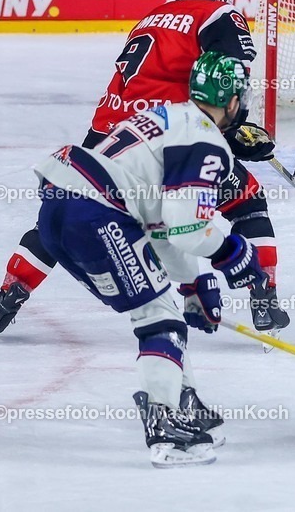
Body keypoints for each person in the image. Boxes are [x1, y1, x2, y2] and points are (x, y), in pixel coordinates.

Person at [0, 0, 289, 338]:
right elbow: (225, 75)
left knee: (76, 201)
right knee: (247, 201)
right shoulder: (220, 14)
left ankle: (9, 294)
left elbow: (155, 80)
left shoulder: (152, 16)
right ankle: (264, 295)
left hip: (105, 134)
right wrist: (234, 128)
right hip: (159, 137)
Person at [34, 51, 270, 467]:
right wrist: (235, 253)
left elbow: (160, 225)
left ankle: (183, 400)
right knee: (159, 319)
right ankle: (162, 426)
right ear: (232, 100)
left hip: (61, 208)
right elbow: (187, 223)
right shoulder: (205, 139)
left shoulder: (167, 116)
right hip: (94, 211)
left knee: (159, 308)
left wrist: (191, 283)